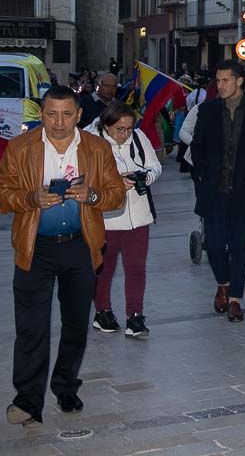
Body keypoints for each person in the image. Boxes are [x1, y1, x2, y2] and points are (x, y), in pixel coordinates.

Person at [0, 86, 125, 426]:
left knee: (74, 325)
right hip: (34, 247)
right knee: (31, 328)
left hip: (80, 246)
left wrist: (93, 194)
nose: (59, 122)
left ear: (79, 115)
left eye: (66, 114)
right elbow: (3, 193)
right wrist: (30, 199)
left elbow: (116, 195)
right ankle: (27, 399)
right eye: (51, 114)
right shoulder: (20, 147)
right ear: (41, 114)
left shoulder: (97, 148)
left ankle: (66, 385)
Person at [189, 60, 245, 322]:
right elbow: (196, 146)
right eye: (218, 81)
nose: (221, 85)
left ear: (240, 80)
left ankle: (236, 299)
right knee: (215, 245)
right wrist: (202, 172)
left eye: (226, 80)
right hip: (214, 190)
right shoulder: (206, 111)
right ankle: (223, 283)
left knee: (240, 245)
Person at [85, 103, 162, 339]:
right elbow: (83, 177)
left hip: (138, 216)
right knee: (104, 269)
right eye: (120, 129)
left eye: (129, 128)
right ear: (107, 126)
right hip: (106, 218)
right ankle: (103, 311)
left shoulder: (138, 138)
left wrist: (144, 177)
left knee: (136, 268)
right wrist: (116, 181)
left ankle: (135, 315)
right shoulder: (90, 140)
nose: (125, 134)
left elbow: (155, 166)